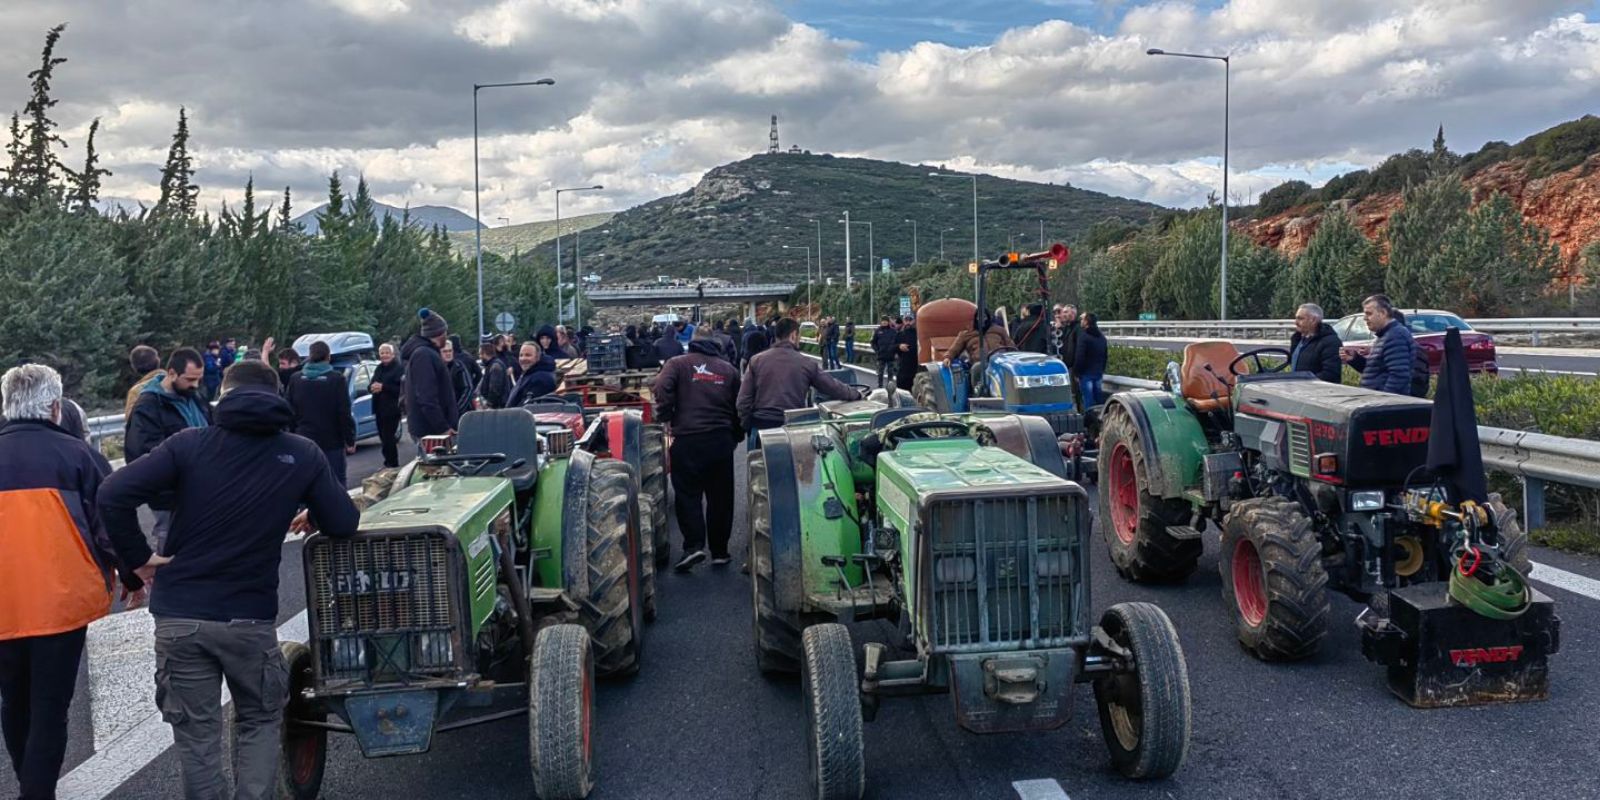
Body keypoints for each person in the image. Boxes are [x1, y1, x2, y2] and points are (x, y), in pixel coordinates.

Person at [98, 359, 359, 800]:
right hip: (248, 618)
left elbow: (112, 493)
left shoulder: (188, 444)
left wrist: (138, 560)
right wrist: (312, 511)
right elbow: (344, 522)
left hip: (180, 617)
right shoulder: (301, 453)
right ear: (278, 395)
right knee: (260, 719)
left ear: (224, 395)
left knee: (196, 735)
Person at [1, 365, 147, 800]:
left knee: (13, 700)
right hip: (60, 602)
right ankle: (36, 791)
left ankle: (30, 783)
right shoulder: (79, 456)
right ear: (55, 407)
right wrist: (132, 574)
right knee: (49, 706)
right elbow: (108, 527)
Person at [652, 326, 741, 570]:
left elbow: (661, 388)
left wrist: (666, 414)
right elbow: (740, 405)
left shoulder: (677, 364)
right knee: (720, 498)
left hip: (688, 439)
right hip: (720, 440)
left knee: (688, 495)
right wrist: (736, 434)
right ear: (716, 344)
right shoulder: (729, 370)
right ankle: (720, 551)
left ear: (692, 342)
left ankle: (693, 547)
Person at [738, 318, 857, 449]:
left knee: (758, 461)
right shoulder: (805, 363)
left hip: (761, 427)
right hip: (792, 428)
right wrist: (856, 394)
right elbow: (832, 387)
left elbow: (743, 400)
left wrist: (748, 424)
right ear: (793, 335)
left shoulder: (756, 360)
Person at [286, 341, 357, 487]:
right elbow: (343, 412)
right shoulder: (336, 379)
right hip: (331, 441)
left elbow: (289, 411)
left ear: (310, 356)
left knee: (307, 482)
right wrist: (349, 439)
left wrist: (292, 434)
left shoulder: (296, 379)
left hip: (304, 439)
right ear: (328, 357)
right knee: (336, 482)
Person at [402, 308, 460, 446]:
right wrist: (442, 427)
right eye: (445, 332)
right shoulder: (424, 355)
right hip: (431, 432)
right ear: (440, 333)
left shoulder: (426, 353)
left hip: (432, 430)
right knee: (435, 461)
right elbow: (426, 397)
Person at [1342, 294, 1417, 395]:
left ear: (1383, 313)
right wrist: (1355, 359)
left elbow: (1399, 375)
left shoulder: (1395, 336)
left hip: (1385, 402)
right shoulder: (1384, 335)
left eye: (1369, 314)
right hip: (1376, 399)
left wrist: (1384, 400)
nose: (1365, 318)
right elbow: (1377, 371)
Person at [369, 343, 405, 468]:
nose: (384, 355)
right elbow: (371, 384)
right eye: (382, 353)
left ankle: (392, 463)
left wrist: (383, 387)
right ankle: (388, 461)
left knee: (388, 437)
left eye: (387, 353)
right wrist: (372, 387)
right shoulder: (378, 368)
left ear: (392, 354)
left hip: (392, 408)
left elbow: (400, 389)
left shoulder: (398, 368)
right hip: (379, 408)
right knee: (383, 438)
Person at [1290, 303, 1344, 383]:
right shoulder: (1297, 339)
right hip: (1298, 388)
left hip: (1318, 389)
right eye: (1296, 318)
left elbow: (1330, 374)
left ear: (1314, 320)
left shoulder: (1330, 342)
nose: (1296, 322)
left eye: (1300, 319)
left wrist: (1303, 382)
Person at [943, 313, 1016, 366]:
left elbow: (1011, 345)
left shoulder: (999, 330)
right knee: (977, 369)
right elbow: (954, 349)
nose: (982, 320)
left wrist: (1016, 356)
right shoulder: (966, 334)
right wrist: (948, 357)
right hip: (979, 363)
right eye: (979, 317)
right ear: (975, 319)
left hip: (1000, 360)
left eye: (984, 317)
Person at [505, 341, 559, 407]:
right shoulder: (529, 373)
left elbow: (526, 408)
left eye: (528, 355)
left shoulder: (541, 379)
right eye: (521, 355)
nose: (523, 358)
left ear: (538, 357)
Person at [1075, 312, 1108, 408]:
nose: (1081, 321)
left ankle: (1089, 417)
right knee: (1098, 398)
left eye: (1082, 319)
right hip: (1098, 372)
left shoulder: (1084, 337)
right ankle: (1099, 416)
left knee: (1088, 400)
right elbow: (1105, 356)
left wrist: (1077, 373)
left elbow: (1080, 356)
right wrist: (1102, 370)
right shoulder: (1101, 337)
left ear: (1086, 322)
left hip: (1086, 374)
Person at [125, 345, 163, 417]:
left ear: (134, 367)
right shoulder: (175, 382)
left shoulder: (136, 391)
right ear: (158, 361)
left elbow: (131, 419)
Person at [441, 338, 476, 417]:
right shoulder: (437, 368)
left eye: (450, 351)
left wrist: (457, 409)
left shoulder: (458, 367)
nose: (448, 353)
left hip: (461, 412)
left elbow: (468, 388)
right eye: (445, 351)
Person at [476, 341, 510, 410]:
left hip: (496, 407)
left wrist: (489, 404)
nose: (479, 356)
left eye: (480, 354)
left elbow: (495, 389)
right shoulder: (492, 365)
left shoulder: (495, 366)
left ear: (484, 353)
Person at [895, 311, 919, 393]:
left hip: (916, 370)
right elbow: (891, 348)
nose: (908, 322)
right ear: (903, 321)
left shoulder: (919, 334)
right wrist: (899, 346)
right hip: (903, 369)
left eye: (910, 320)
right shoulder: (899, 335)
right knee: (902, 394)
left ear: (914, 321)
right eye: (906, 320)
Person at [871, 316, 899, 387]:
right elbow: (873, 342)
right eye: (883, 321)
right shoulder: (877, 331)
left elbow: (897, 342)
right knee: (880, 372)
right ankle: (880, 385)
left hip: (891, 355)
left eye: (885, 321)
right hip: (881, 355)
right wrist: (877, 350)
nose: (884, 322)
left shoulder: (893, 331)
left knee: (890, 372)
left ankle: (890, 386)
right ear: (881, 322)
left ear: (888, 322)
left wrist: (895, 351)